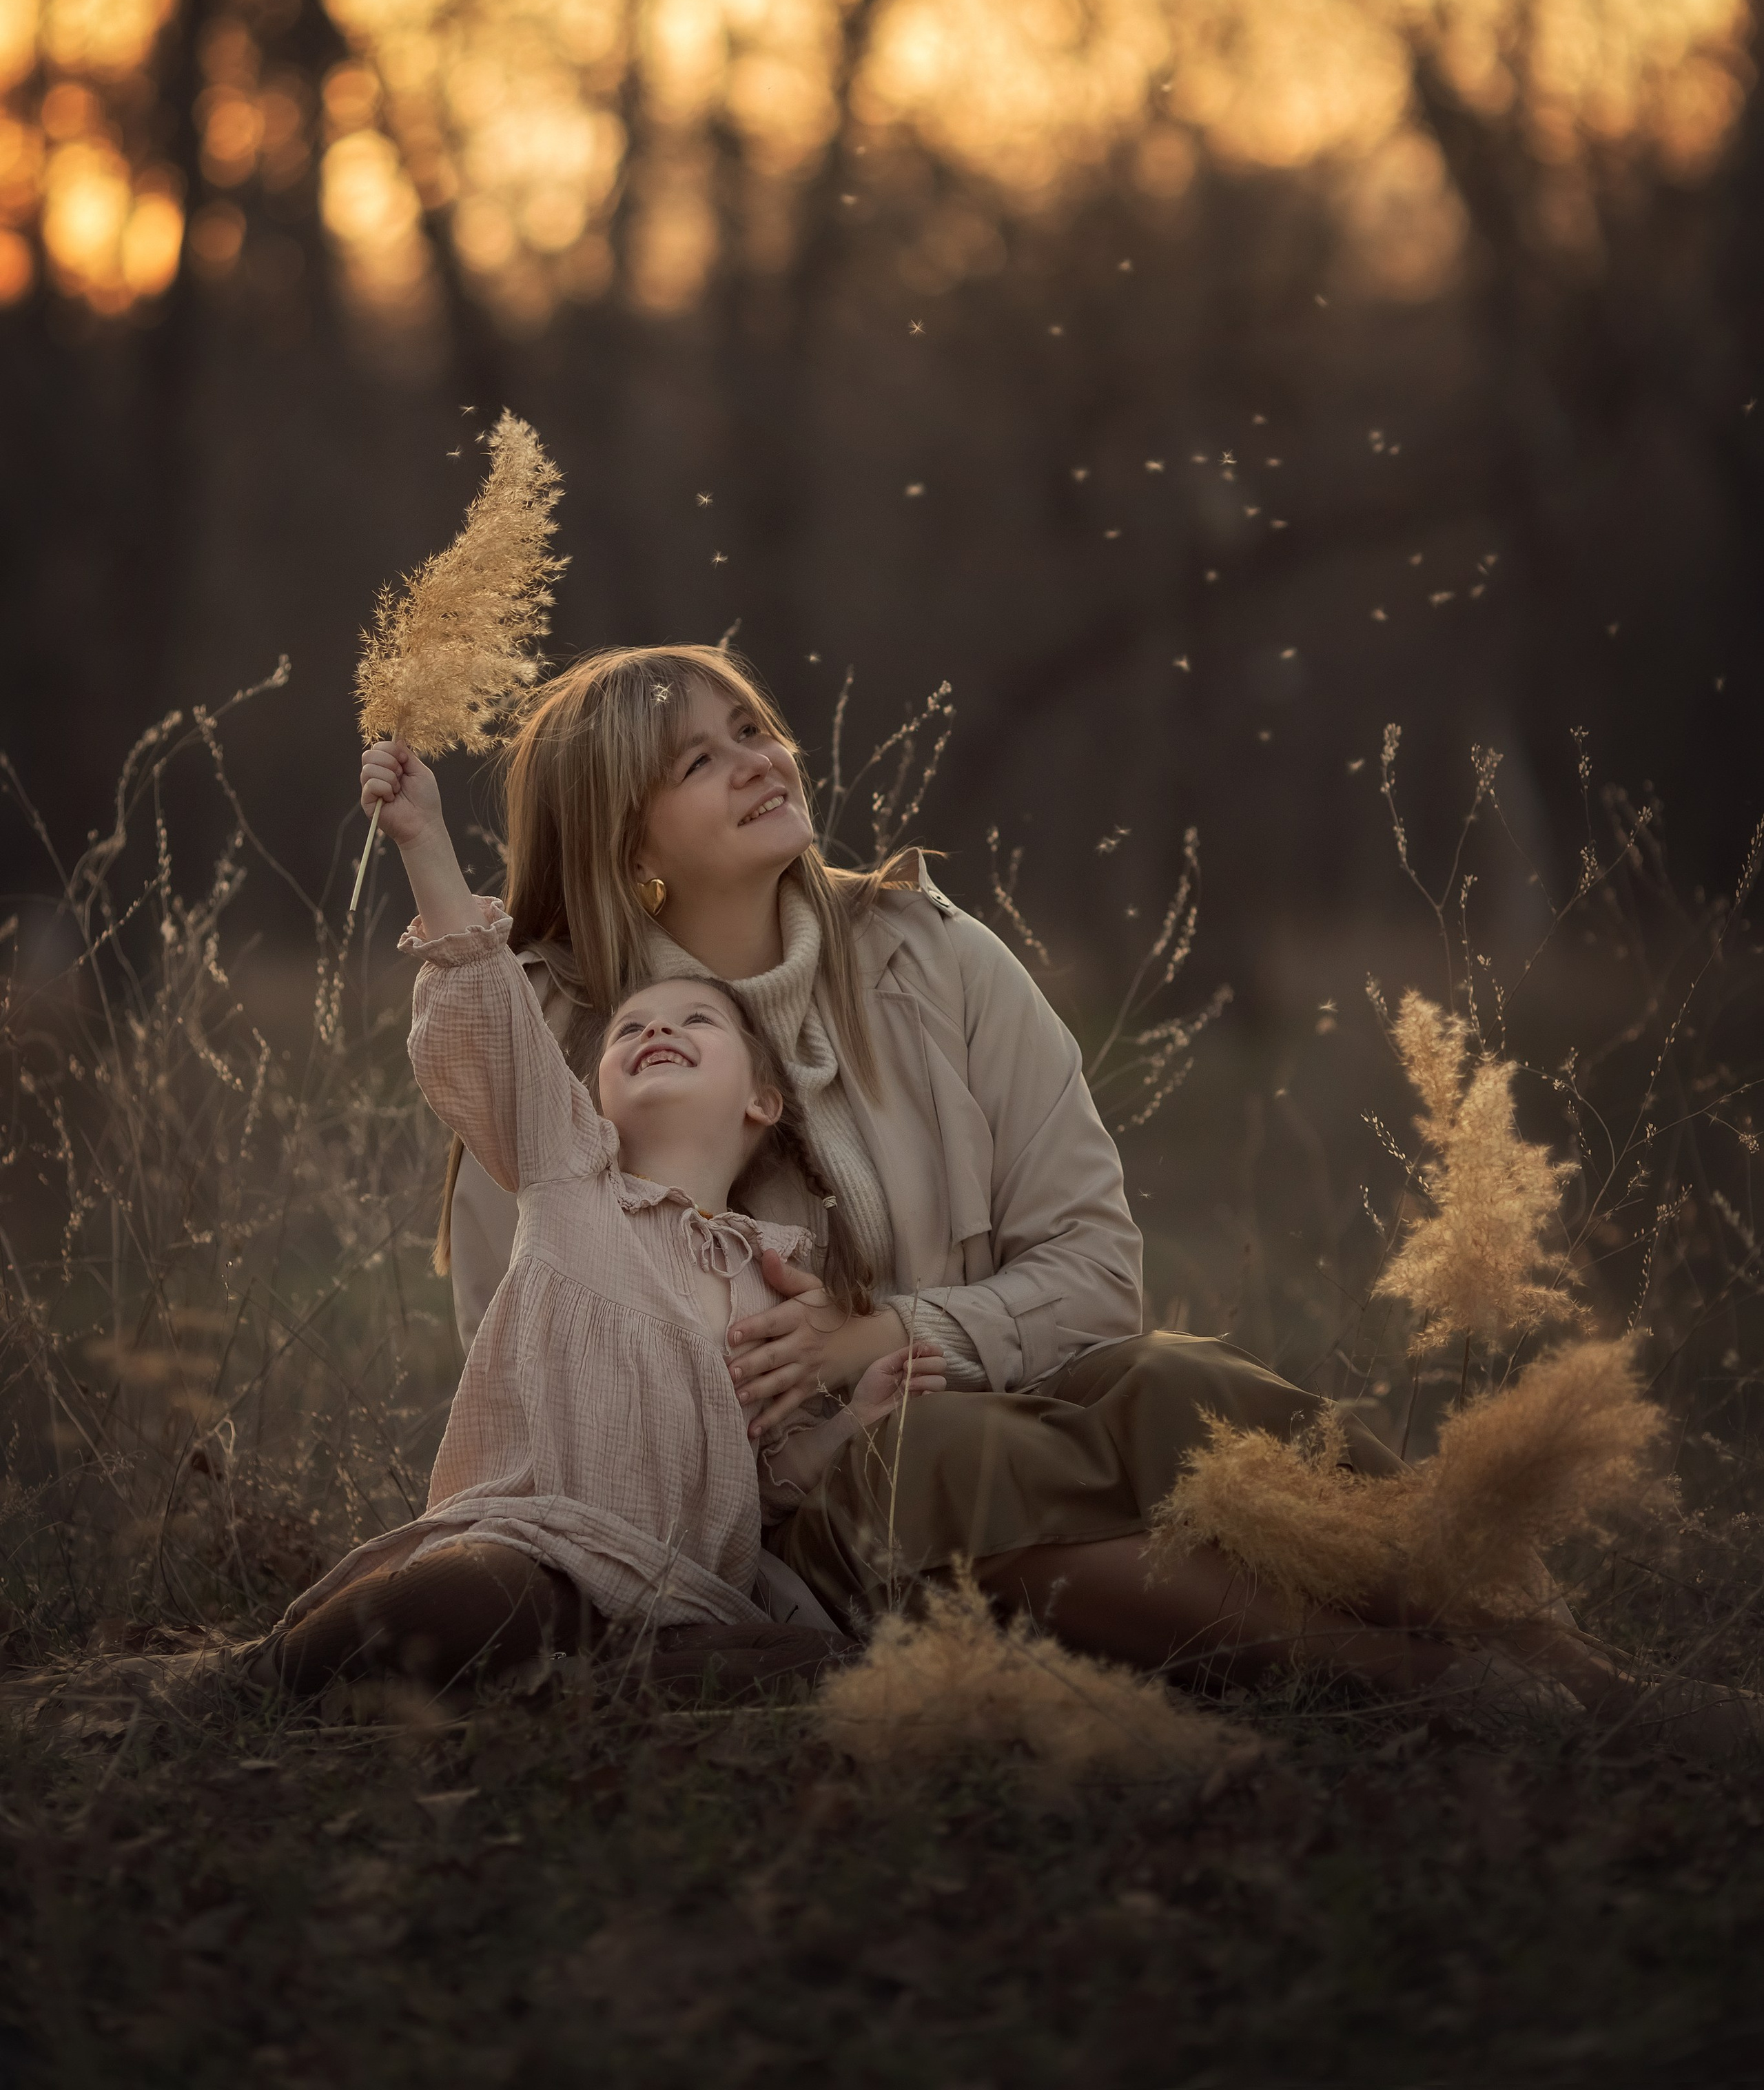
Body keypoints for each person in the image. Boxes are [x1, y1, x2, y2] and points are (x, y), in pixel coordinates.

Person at [381, 639, 1725, 1733]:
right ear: (630, 845)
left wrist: (897, 1331)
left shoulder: (933, 955)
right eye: (699, 756)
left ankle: (1581, 1676)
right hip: (796, 1515)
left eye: (753, 729)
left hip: (1011, 1398)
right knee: (935, 1447)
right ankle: (1411, 1690)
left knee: (1180, 1382)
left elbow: (1093, 1271)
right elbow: (540, 1388)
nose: (758, 762)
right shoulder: (557, 1055)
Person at [256, 780, 948, 1696]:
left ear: (762, 1101)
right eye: (630, 1032)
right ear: (591, 1099)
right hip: (535, 1556)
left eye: (696, 1021)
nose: (658, 1026)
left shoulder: (769, 1275)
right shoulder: (570, 1180)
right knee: (479, 1597)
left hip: (676, 1596)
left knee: (823, 1667)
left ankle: (600, 1684)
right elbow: (493, 1015)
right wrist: (422, 837)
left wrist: (858, 1418)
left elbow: (766, 1481)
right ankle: (252, 1676)